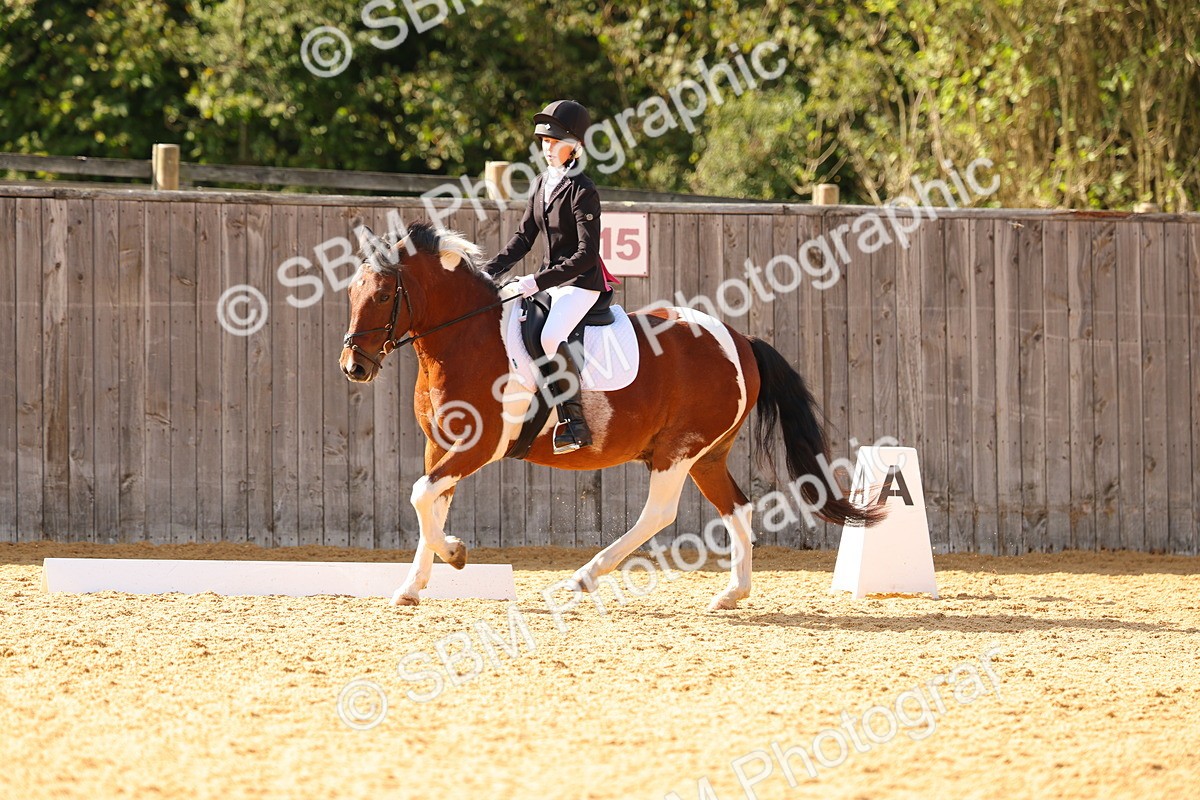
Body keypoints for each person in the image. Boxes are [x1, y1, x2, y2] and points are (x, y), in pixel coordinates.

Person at [481, 99, 614, 455]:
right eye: (544, 141)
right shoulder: (541, 183)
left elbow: (586, 255)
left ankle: (575, 423)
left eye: (555, 142)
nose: (548, 148)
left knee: (552, 334)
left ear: (577, 146)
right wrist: (488, 271)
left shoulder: (583, 190)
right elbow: (524, 238)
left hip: (580, 283)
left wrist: (536, 282)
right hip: (548, 280)